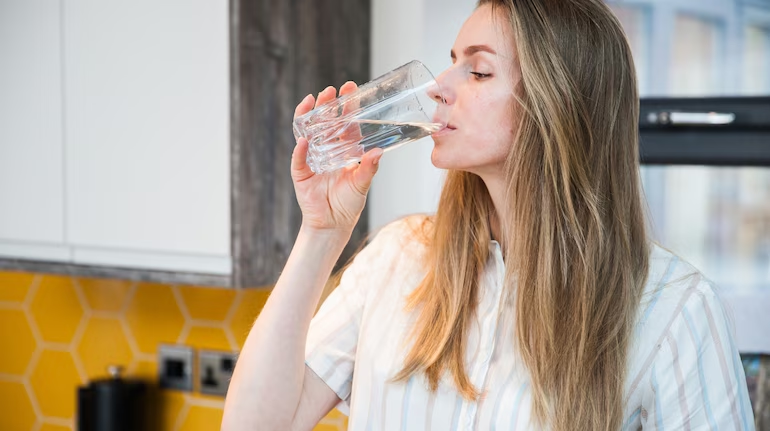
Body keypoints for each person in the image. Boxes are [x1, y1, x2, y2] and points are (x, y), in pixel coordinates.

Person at [222, 0, 755, 429]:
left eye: (477, 71)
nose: (438, 87)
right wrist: (321, 232)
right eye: (454, 61)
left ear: (558, 104)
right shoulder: (395, 260)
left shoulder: (674, 310)